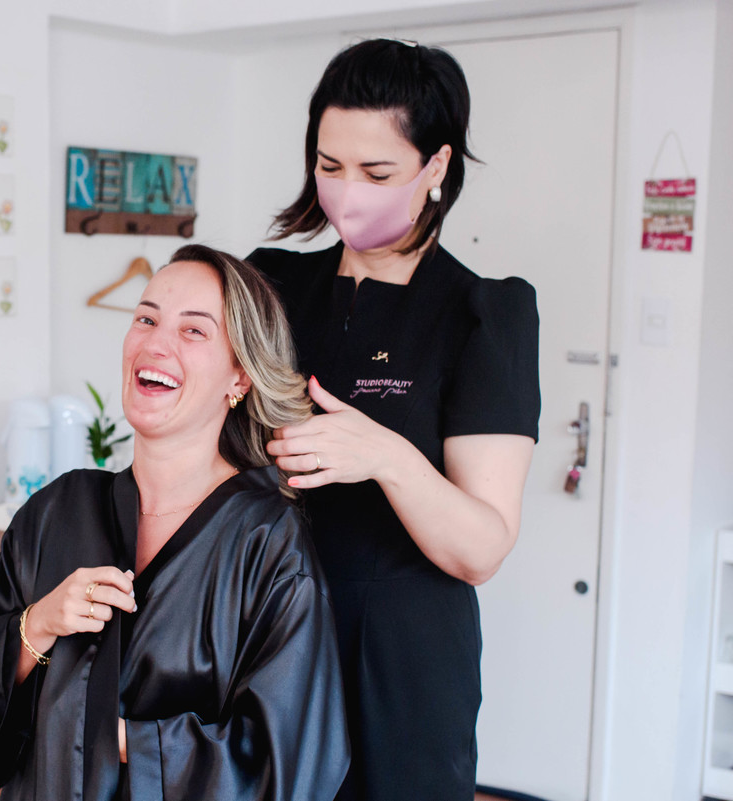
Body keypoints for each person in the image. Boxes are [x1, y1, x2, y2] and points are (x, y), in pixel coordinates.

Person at [246, 38, 541, 801]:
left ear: (436, 165)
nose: (348, 193)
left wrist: (386, 455)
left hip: (402, 660)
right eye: (329, 165)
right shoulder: (270, 285)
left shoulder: (485, 314)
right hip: (266, 632)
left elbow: (481, 548)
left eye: (377, 173)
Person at [0, 244, 350, 801]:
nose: (156, 344)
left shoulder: (267, 542)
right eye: (146, 319)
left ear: (240, 377)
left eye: (194, 330)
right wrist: (39, 623)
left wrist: (119, 743)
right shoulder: (56, 511)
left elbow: (289, 758)